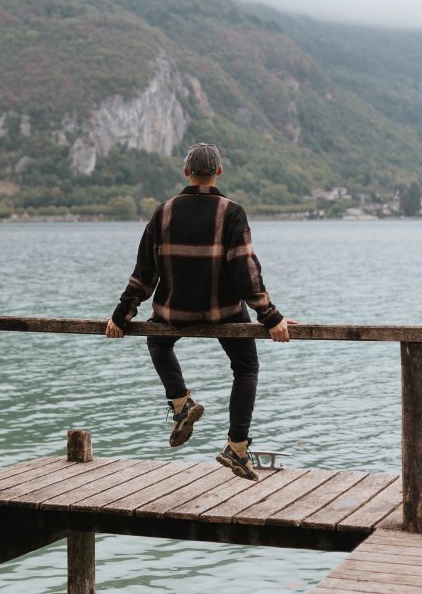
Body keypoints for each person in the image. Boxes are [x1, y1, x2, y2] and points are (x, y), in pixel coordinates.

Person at [106, 142, 294, 481]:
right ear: (219, 172)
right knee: (246, 366)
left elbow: (144, 273)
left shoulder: (163, 212)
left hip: (172, 312)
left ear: (186, 172)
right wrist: (272, 317)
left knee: (158, 342)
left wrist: (121, 315)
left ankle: (180, 402)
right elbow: (246, 272)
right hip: (223, 312)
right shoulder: (232, 212)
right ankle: (236, 446)